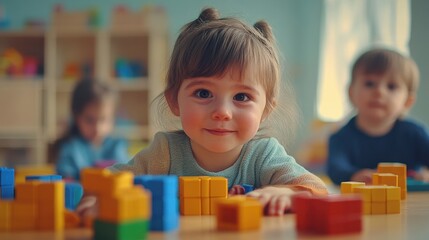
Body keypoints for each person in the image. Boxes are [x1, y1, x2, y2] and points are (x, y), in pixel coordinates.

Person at [77, 7, 327, 217]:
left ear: (265, 110)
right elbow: (108, 181)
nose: (222, 112)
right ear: (174, 100)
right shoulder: (164, 152)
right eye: (203, 93)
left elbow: (316, 189)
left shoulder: (263, 154)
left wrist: (286, 192)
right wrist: (96, 198)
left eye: (241, 97)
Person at [327, 47, 429, 185]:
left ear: (407, 101)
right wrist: (354, 175)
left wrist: (426, 174)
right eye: (369, 84)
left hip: (411, 203)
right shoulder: (341, 137)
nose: (379, 92)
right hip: (362, 202)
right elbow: (335, 169)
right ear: (351, 92)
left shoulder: (415, 134)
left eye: (391, 86)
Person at [54, 79, 129, 180]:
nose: (97, 128)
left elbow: (127, 176)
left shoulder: (117, 146)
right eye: (89, 120)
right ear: (77, 117)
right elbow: (66, 184)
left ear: (113, 118)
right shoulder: (71, 149)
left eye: (103, 119)